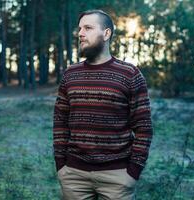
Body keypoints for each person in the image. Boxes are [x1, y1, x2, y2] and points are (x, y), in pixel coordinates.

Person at [53, 9, 153, 200]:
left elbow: (144, 128)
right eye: (80, 29)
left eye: (88, 28)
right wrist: (61, 166)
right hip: (74, 175)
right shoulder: (70, 74)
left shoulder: (130, 74)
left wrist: (133, 172)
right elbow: (60, 122)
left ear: (106, 33)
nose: (80, 33)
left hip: (117, 176)